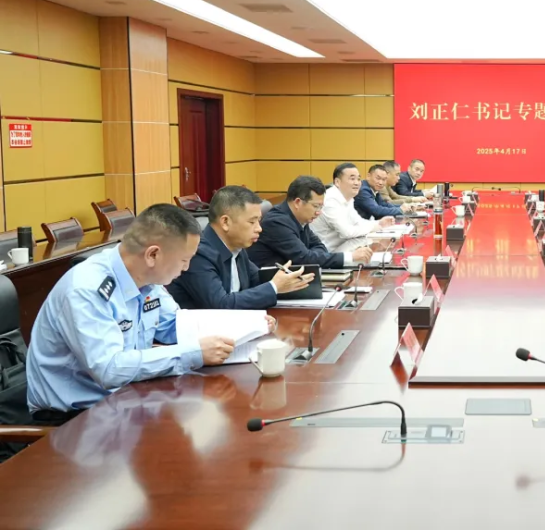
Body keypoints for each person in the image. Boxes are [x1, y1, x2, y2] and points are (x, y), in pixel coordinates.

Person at [26, 204, 251, 420]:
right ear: (152, 255)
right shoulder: (86, 290)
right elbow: (109, 369)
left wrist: (248, 327)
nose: (187, 268)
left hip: (125, 400)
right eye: (184, 260)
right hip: (75, 417)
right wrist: (193, 352)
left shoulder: (147, 279)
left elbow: (175, 326)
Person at [167, 186, 314, 310]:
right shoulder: (198, 254)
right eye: (252, 222)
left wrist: (291, 280)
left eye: (259, 221)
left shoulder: (236, 247)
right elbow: (221, 305)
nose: (259, 229)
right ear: (225, 222)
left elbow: (257, 279)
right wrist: (274, 287)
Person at [248, 176, 373, 269]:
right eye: (316, 206)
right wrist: (351, 256)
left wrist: (312, 256)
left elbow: (319, 246)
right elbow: (304, 259)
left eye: (321, 207)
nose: (319, 212)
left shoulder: (299, 218)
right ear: (298, 202)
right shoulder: (277, 222)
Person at [312, 163, 396, 252]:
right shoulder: (330, 200)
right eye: (352, 179)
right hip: (328, 253)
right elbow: (346, 232)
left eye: (358, 179)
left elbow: (358, 221)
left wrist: (379, 223)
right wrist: (375, 227)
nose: (357, 183)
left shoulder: (348, 197)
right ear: (337, 182)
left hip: (344, 247)